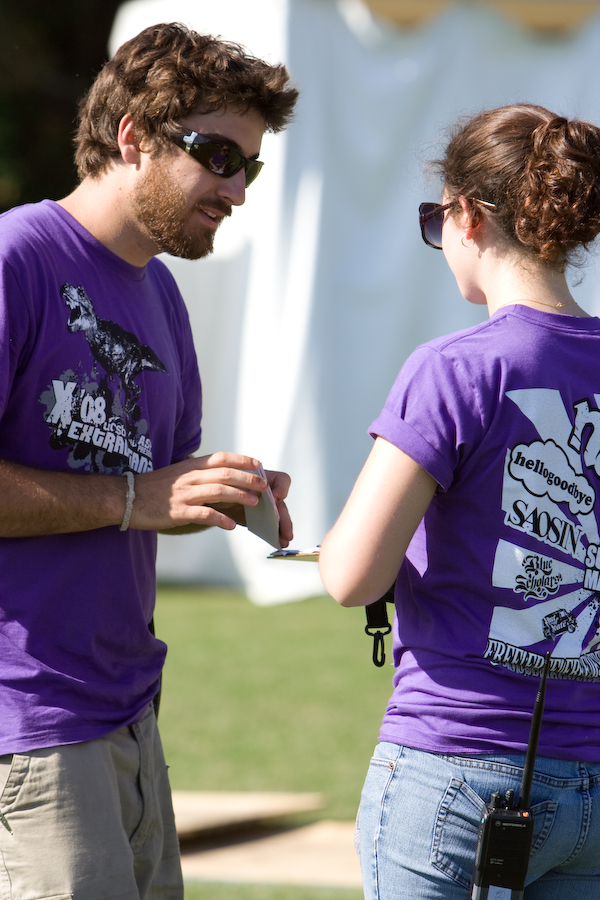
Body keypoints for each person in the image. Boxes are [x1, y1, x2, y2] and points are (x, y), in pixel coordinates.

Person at [0, 21, 298, 899]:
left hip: (130, 713)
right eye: (219, 155)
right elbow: (133, 490)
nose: (236, 189)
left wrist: (220, 490)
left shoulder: (161, 291)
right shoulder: (17, 260)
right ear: (133, 136)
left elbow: (149, 479)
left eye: (250, 167)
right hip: (30, 723)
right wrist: (135, 498)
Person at [319, 103, 600, 899]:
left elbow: (351, 577)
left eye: (434, 219)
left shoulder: (455, 368)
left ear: (466, 217)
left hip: (456, 765)